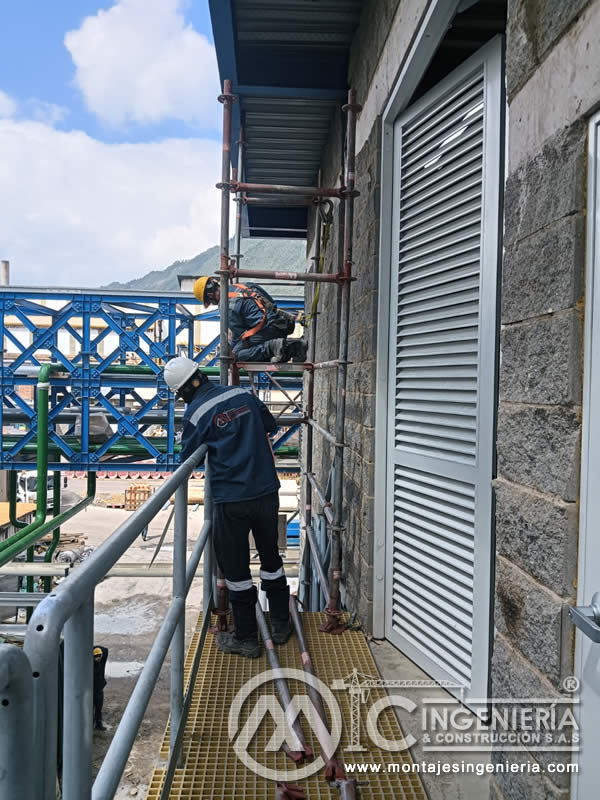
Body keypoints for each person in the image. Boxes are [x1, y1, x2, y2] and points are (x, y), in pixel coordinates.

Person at [163, 356, 291, 658]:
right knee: (271, 557)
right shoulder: (242, 394)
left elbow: (189, 457)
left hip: (231, 499)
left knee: (235, 569)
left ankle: (246, 638)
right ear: (200, 375)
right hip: (266, 491)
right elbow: (269, 426)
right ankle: (281, 623)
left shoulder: (196, 413)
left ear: (182, 392)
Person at [193, 276, 307, 364]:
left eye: (209, 302)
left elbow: (239, 335)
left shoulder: (226, 306)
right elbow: (271, 303)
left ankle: (282, 347)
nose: (212, 304)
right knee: (247, 346)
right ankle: (285, 346)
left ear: (210, 295)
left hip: (271, 330)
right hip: (283, 322)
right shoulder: (242, 286)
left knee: (237, 354)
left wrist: (229, 347)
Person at [93, 645, 108, 731]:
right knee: (91, 708)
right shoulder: (90, 665)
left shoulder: (101, 663)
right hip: (92, 691)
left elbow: (105, 649)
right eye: (96, 656)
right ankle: (92, 724)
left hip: (99, 690)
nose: (98, 658)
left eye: (100, 656)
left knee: (99, 708)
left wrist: (95, 649)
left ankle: (99, 724)